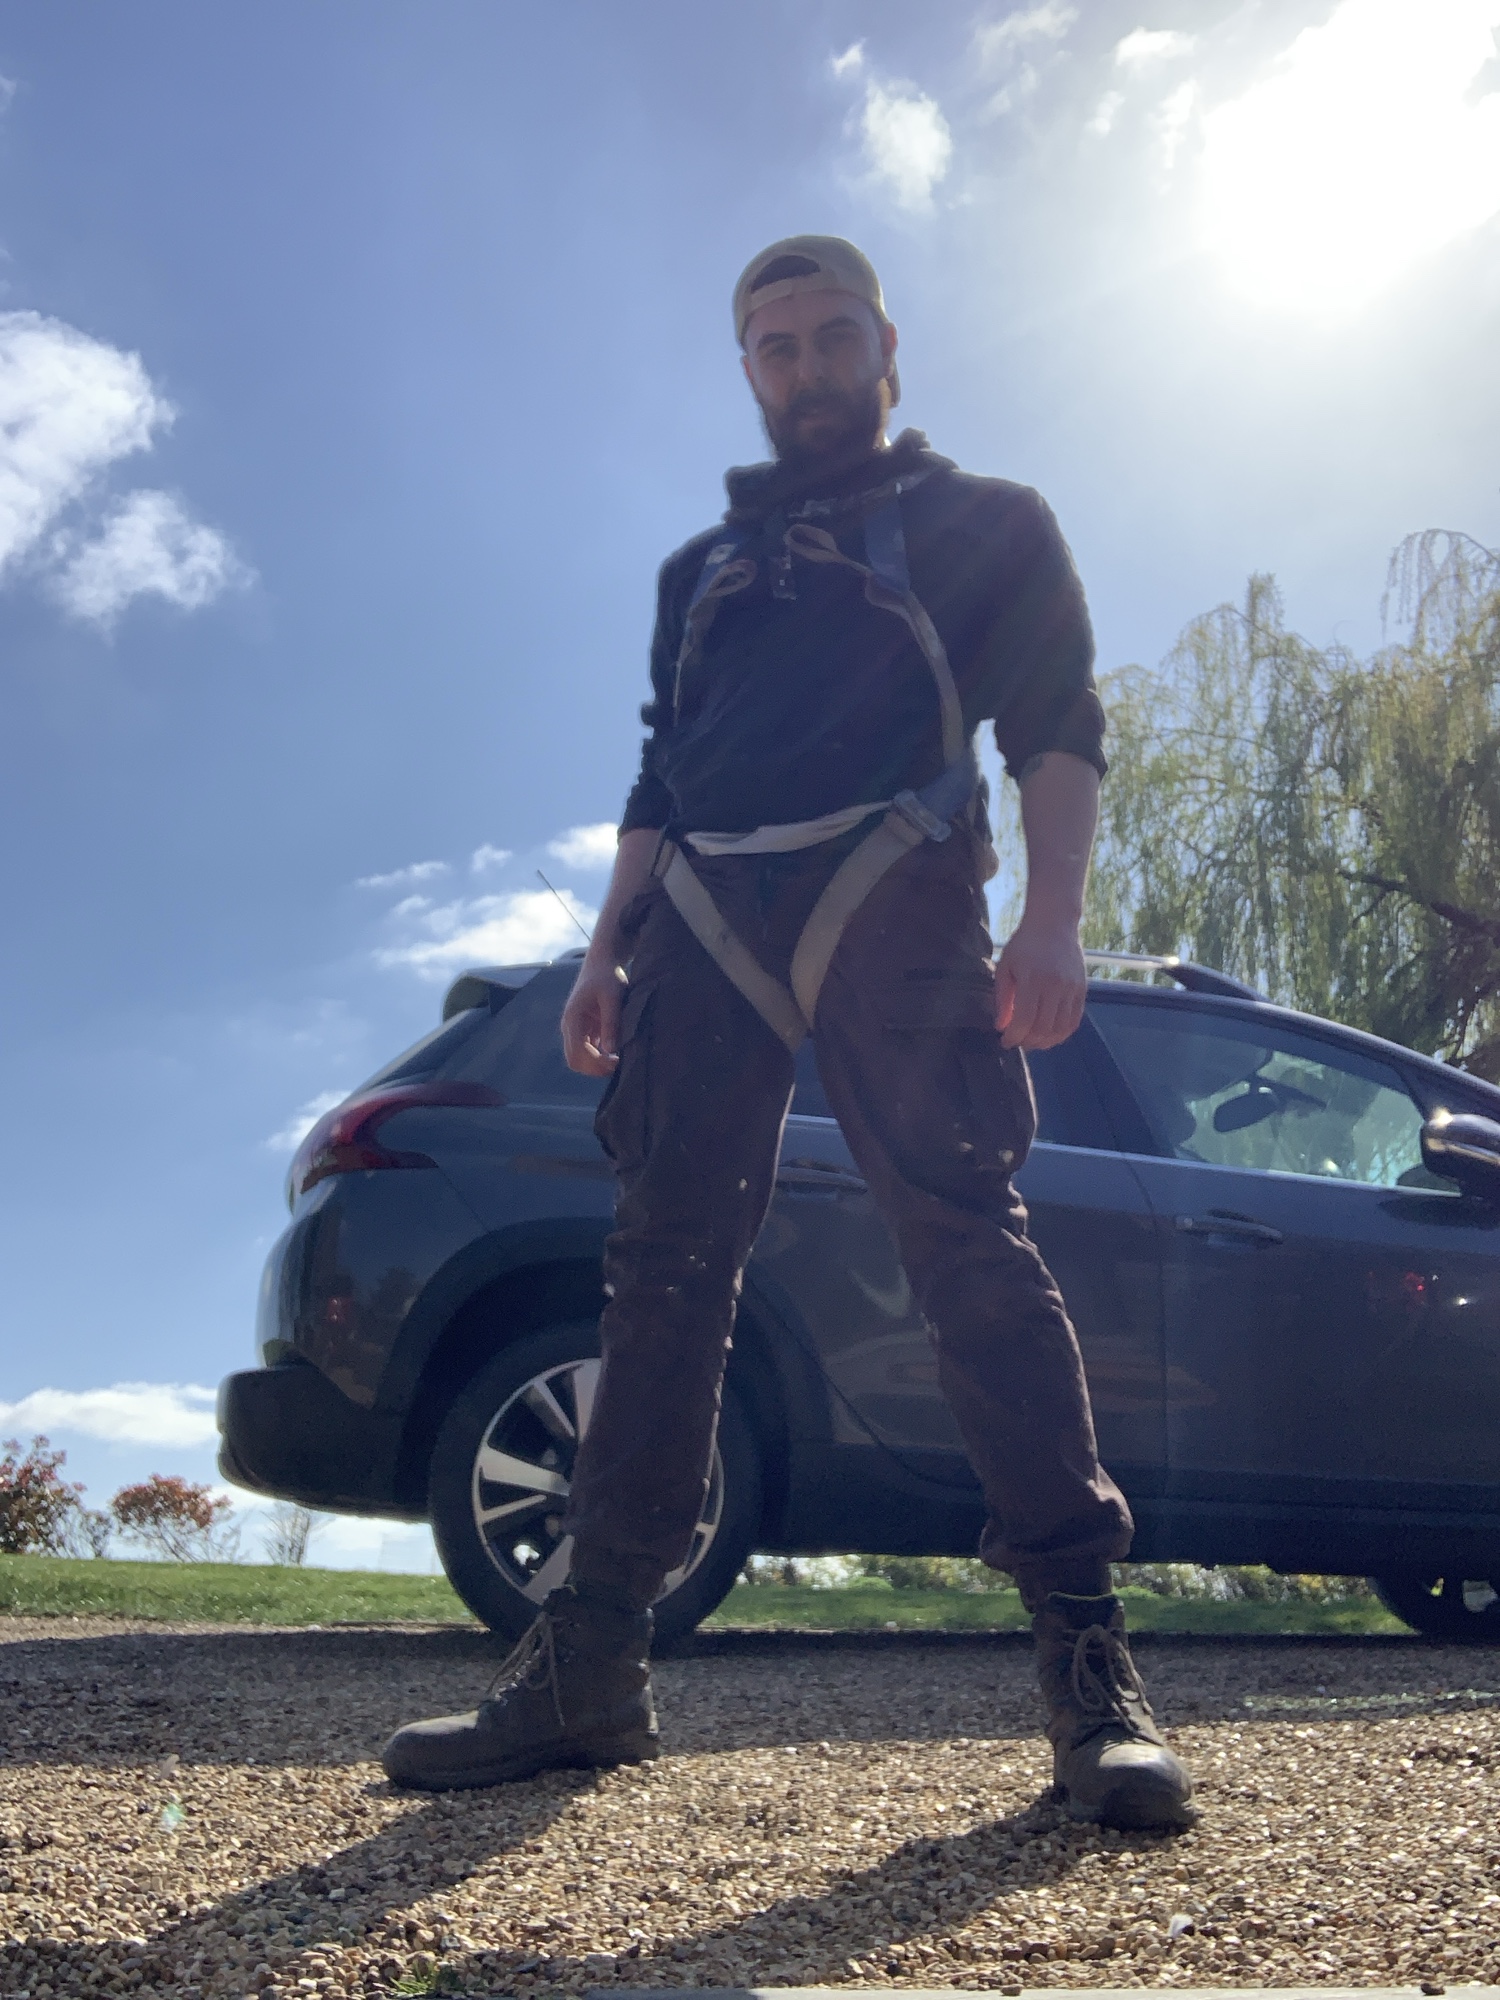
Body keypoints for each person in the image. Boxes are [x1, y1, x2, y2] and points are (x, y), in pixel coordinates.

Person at [383, 235, 1195, 1831]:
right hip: (698, 920)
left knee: (967, 1247)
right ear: (749, 370)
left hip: (897, 890)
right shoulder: (698, 571)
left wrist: (1050, 920)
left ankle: (1090, 1670)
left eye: (833, 337)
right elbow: (658, 772)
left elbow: (1053, 722)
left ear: (887, 347)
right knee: (662, 1270)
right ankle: (588, 1663)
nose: (809, 367)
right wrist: (604, 950)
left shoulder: (991, 521)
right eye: (778, 345)